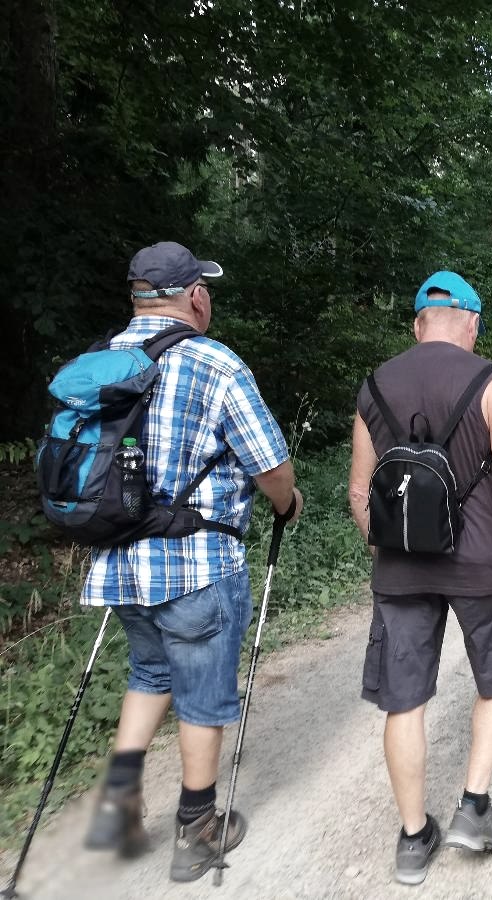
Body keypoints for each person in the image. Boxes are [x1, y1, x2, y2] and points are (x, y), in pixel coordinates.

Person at [82, 241, 303, 882]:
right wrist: (287, 504)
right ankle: (197, 828)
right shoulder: (215, 364)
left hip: (120, 561)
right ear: (195, 296)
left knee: (149, 675)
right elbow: (270, 465)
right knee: (203, 694)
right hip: (196, 564)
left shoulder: (102, 359)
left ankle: (117, 813)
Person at [348, 270, 492, 887]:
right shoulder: (490, 381)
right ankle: (473, 807)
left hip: (400, 570)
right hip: (480, 563)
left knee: (403, 698)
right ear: (473, 324)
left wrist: (390, 546)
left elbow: (360, 492)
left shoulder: (374, 385)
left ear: (417, 324)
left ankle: (413, 840)